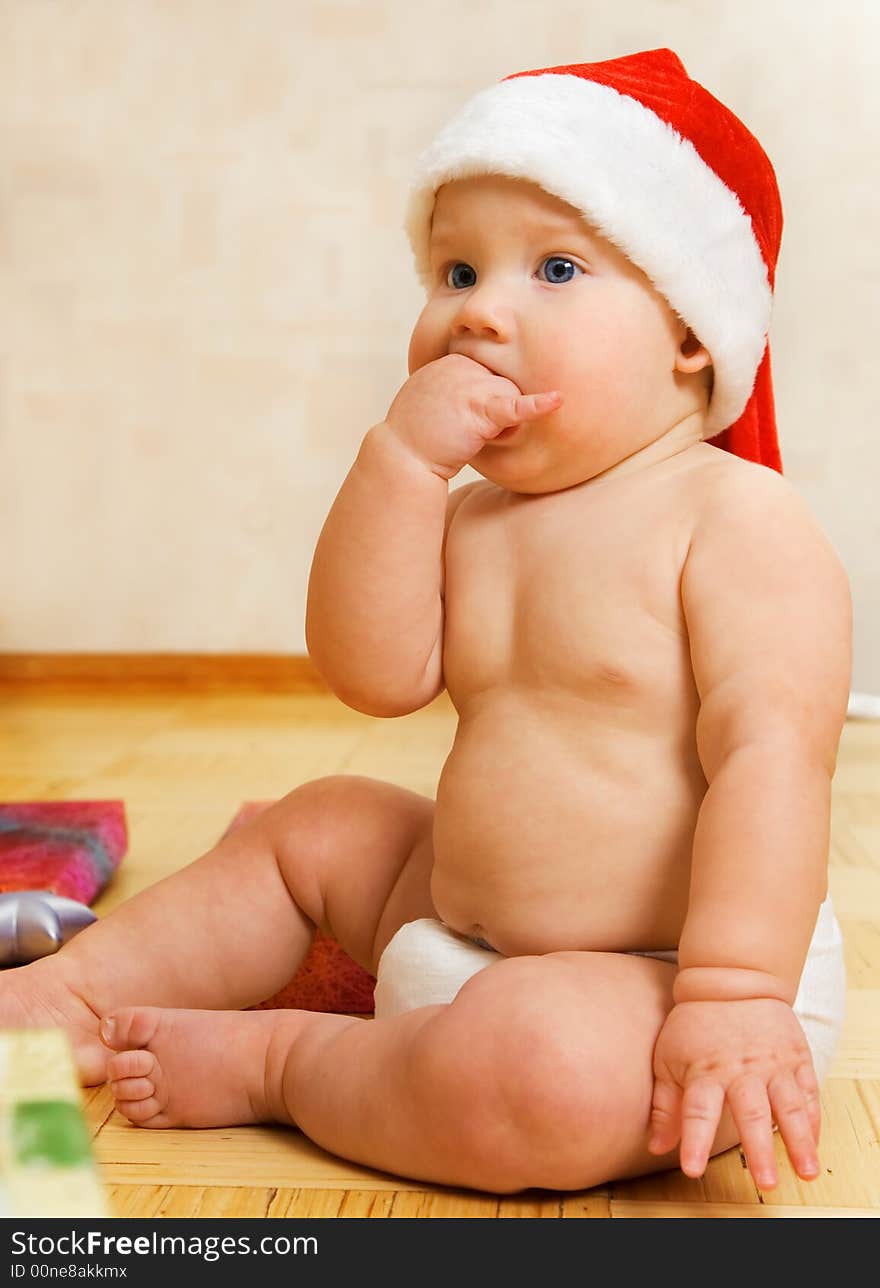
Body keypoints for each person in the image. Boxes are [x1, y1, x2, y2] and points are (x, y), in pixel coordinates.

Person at [0, 49, 852, 1196]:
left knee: (539, 1069)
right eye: (455, 270)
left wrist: (736, 993)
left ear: (691, 332)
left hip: (661, 982)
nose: (478, 313)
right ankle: (65, 1000)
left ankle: (287, 1063)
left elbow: (773, 760)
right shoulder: (476, 518)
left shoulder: (734, 519)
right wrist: (399, 466)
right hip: (454, 923)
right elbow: (372, 672)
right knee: (316, 825)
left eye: (553, 268)